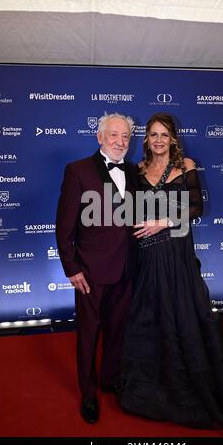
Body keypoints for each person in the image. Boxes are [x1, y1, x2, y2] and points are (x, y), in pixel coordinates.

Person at [118, 112, 223, 435]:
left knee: (184, 313)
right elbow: (131, 210)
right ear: (146, 140)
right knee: (153, 314)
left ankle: (193, 383)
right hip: (149, 254)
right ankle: (158, 384)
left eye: (164, 135)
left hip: (177, 251)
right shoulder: (137, 171)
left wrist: (160, 222)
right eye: (153, 135)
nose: (159, 140)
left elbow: (196, 208)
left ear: (173, 139)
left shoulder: (186, 166)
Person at [56, 112, 138, 424]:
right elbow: (64, 226)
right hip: (90, 271)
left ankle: (109, 379)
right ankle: (88, 394)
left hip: (127, 268)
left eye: (126, 137)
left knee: (118, 331)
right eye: (114, 135)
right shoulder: (77, 171)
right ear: (100, 137)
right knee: (89, 335)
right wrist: (71, 268)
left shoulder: (133, 171)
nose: (120, 142)